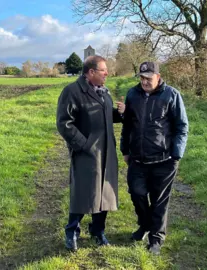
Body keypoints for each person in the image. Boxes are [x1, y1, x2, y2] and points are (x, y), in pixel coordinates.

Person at [56, 55, 125, 252]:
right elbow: (64, 123)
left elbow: (105, 115)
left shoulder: (104, 93)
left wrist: (119, 113)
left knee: (104, 193)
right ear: (91, 72)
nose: (107, 73)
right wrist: (83, 145)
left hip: (106, 151)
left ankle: (97, 231)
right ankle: (72, 232)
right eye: (103, 70)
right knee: (83, 193)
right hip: (87, 152)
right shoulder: (72, 92)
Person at [120, 61, 189, 255]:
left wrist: (177, 153)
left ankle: (156, 239)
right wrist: (125, 149)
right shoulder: (132, 94)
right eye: (142, 78)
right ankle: (144, 225)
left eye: (148, 78)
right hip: (137, 159)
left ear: (158, 77)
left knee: (159, 201)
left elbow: (182, 126)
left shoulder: (171, 95)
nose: (144, 81)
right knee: (137, 193)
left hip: (164, 160)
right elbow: (128, 125)